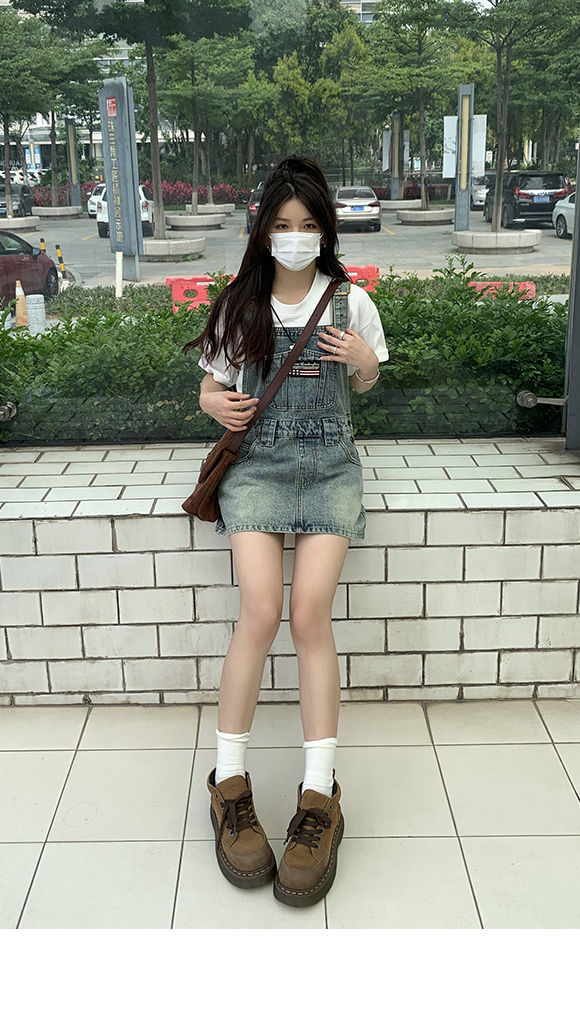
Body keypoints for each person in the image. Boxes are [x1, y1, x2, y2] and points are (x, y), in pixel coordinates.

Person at [185, 155, 388, 908]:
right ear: (263, 230)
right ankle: (229, 781)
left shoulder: (352, 302)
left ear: (325, 230)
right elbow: (210, 385)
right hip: (258, 471)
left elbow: (368, 381)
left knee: (309, 616)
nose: (295, 237)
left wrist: (364, 364)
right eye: (282, 224)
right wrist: (213, 403)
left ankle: (318, 793)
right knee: (261, 611)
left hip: (331, 469)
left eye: (307, 225)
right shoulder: (239, 303)